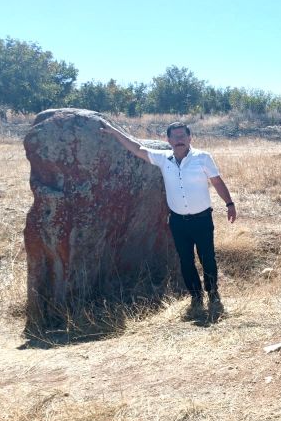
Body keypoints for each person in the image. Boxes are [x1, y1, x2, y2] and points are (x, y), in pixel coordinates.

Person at [101, 121, 236, 309]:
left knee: (208, 258)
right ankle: (196, 296)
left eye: (183, 136)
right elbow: (137, 149)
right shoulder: (163, 158)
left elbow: (217, 182)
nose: (179, 140)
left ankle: (213, 293)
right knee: (186, 260)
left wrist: (229, 204)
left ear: (190, 138)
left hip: (202, 219)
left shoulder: (203, 158)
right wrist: (115, 132)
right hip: (178, 221)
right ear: (168, 139)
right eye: (175, 136)